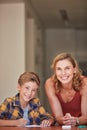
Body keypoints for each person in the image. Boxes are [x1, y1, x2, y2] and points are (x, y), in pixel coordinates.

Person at [45, 52, 87, 126]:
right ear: (55, 71)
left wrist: (75, 120)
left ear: (74, 69)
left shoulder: (84, 82)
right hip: (64, 127)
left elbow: (86, 117)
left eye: (67, 68)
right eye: (59, 69)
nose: (63, 73)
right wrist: (65, 120)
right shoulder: (50, 84)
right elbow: (58, 117)